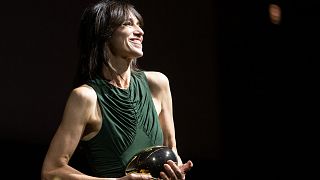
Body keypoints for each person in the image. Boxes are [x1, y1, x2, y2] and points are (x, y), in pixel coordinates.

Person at [41, 0, 193, 179]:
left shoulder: (158, 84)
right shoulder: (86, 97)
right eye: (128, 24)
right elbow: (51, 171)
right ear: (104, 34)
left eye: (139, 25)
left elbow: (171, 151)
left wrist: (175, 172)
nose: (140, 31)